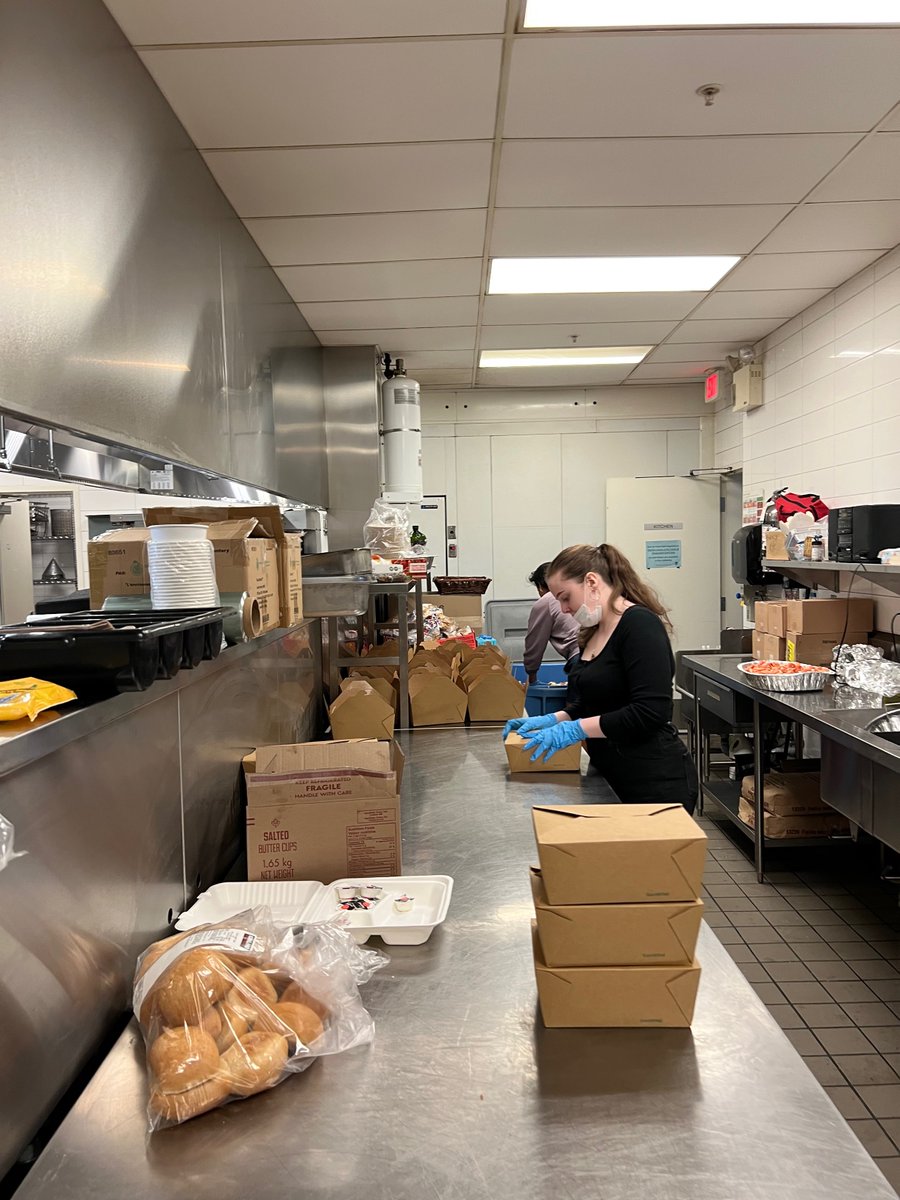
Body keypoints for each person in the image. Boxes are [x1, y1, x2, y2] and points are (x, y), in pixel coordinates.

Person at [504, 543, 698, 813]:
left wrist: (576, 730)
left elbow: (650, 711)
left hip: (652, 781)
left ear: (591, 582)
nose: (562, 609)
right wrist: (553, 719)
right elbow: (591, 704)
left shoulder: (639, 625)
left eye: (565, 597)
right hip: (611, 774)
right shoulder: (592, 632)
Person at [523, 562, 580, 685]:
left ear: (540, 587)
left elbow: (534, 644)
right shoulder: (577, 593)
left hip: (580, 660)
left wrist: (531, 676)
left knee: (577, 704)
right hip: (604, 655)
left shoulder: (546, 601)